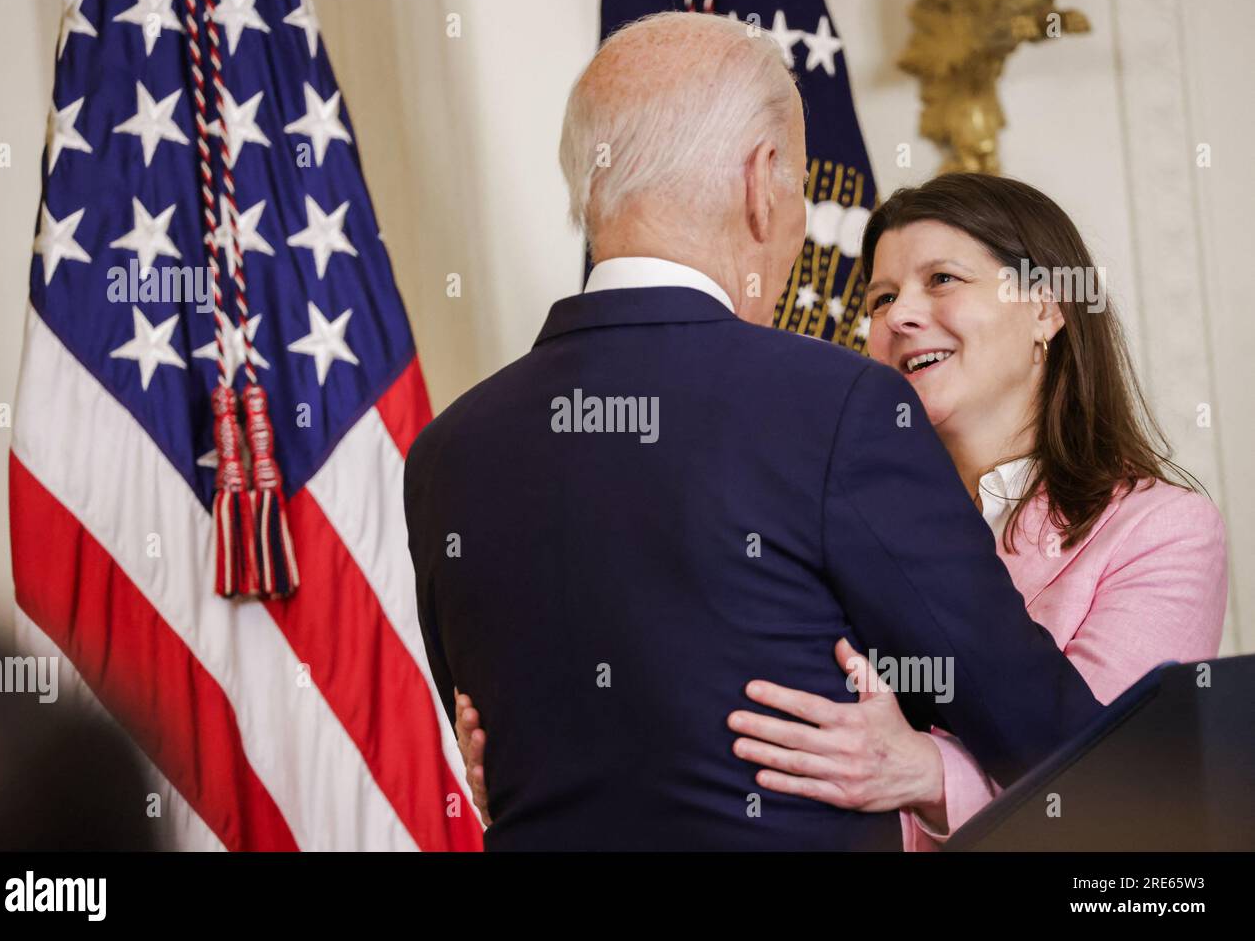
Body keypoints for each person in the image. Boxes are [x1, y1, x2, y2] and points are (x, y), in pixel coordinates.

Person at [404, 12, 1101, 851]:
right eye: (802, 184)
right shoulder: (839, 406)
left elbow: (504, 747)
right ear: (761, 180)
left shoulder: (444, 453)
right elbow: (1054, 744)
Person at [452, 173, 1229, 850]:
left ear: (1047, 310)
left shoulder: (1163, 532)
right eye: (883, 296)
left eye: (943, 281)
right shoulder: (826, 505)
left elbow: (1121, 785)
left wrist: (926, 775)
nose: (899, 316)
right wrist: (545, 754)